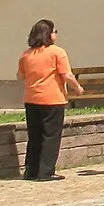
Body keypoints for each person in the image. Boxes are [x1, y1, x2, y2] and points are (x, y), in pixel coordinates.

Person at [17, 19, 83, 181]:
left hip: (32, 98)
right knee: (51, 136)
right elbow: (66, 75)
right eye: (54, 31)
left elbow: (20, 76)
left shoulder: (26, 54)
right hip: (53, 99)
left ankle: (31, 171)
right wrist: (77, 88)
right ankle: (46, 172)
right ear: (49, 34)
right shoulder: (57, 52)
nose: (55, 34)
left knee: (35, 135)